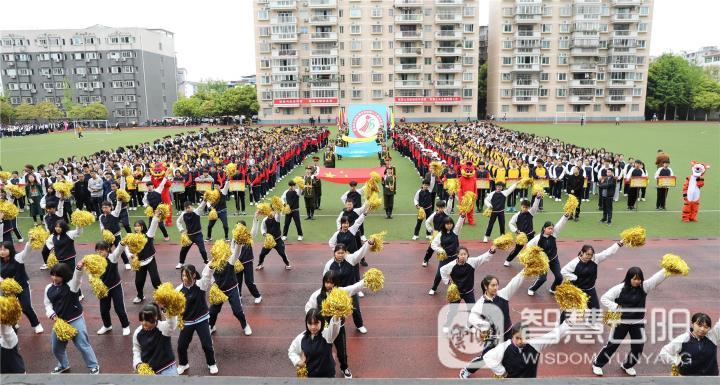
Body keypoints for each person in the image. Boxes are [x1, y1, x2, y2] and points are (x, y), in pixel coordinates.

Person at [591, 265, 674, 376]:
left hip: (637, 322)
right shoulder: (619, 288)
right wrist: (616, 307)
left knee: (638, 347)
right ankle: (597, 364)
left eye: (639, 279)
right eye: (634, 279)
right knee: (612, 345)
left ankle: (627, 365)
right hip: (621, 322)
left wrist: (669, 268)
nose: (637, 281)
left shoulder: (645, 286)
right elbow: (604, 298)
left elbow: (657, 278)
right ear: (629, 278)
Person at [460, 268, 534, 379]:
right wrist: (484, 325)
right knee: (485, 358)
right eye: (493, 285)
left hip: (508, 332)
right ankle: (467, 370)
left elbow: (515, 281)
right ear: (486, 287)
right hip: (493, 337)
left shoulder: (503, 294)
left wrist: (526, 269)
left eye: (496, 285)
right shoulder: (481, 303)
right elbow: (472, 318)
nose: (496, 288)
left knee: (511, 353)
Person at [304, 271, 365, 378]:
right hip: (323, 330)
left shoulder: (342, 292)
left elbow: (355, 287)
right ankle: (322, 370)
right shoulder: (317, 295)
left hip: (339, 328)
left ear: (336, 283)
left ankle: (344, 367)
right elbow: (308, 308)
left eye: (332, 283)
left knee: (342, 351)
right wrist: (314, 319)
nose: (329, 285)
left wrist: (367, 281)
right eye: (327, 282)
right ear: (323, 282)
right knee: (322, 351)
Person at [43, 261, 100, 374]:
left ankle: (94, 365)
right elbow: (47, 304)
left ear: (64, 276)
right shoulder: (48, 288)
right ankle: (63, 365)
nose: (54, 277)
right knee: (56, 347)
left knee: (82, 344)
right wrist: (52, 315)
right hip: (60, 322)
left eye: (57, 275)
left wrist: (79, 268)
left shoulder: (71, 285)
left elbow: (77, 278)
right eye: (53, 274)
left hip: (75, 319)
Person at [483, 320, 575, 378]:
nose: (519, 341)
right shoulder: (504, 347)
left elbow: (553, 336)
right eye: (517, 338)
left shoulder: (535, 345)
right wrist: (501, 372)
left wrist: (567, 324)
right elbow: (487, 357)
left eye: (523, 338)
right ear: (512, 336)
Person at [559, 241, 624, 323]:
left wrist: (618, 244)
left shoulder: (595, 258)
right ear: (582, 252)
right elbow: (563, 271)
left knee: (595, 309)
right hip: (577, 290)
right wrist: (575, 278)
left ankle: (591, 323)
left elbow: (607, 252)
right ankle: (560, 324)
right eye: (587, 254)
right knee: (569, 309)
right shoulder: (574, 263)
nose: (589, 257)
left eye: (591, 255)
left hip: (590, 289)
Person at [440, 246, 496, 331]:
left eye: (465, 254)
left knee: (472, 311)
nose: (463, 256)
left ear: (467, 255)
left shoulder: (472, 262)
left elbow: (482, 258)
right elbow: (442, 270)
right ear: (457, 255)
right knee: (453, 311)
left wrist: (491, 251)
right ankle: (447, 325)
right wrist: (448, 282)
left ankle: (469, 326)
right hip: (456, 293)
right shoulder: (451, 265)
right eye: (461, 254)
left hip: (469, 292)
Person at [322, 241, 373, 334]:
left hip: (352, 289)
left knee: (355, 308)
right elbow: (325, 278)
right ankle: (332, 327)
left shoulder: (351, 259)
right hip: (337, 292)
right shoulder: (329, 264)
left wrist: (369, 244)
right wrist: (327, 291)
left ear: (345, 253)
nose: (340, 255)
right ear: (334, 253)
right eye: (338, 253)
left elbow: (360, 252)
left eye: (342, 253)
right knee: (335, 311)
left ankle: (359, 325)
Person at [176, 264, 218, 375]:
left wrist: (211, 267)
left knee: (206, 344)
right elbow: (173, 307)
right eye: (183, 275)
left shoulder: (201, 284)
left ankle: (211, 363)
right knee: (181, 345)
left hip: (201, 319)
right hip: (187, 321)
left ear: (194, 275)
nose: (184, 278)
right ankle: (183, 364)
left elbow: (207, 275)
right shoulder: (178, 290)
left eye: (187, 275)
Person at [208, 240, 253, 337]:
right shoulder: (212, 263)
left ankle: (245, 325)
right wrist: (213, 284)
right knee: (213, 311)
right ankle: (211, 326)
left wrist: (239, 243)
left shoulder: (230, 260)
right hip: (219, 290)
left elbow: (237, 252)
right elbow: (209, 275)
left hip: (232, 289)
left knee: (237, 311)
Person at [0, 240, 43, 333]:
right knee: (8, 308)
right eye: (1, 249)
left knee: (26, 307)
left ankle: (36, 324)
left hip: (22, 286)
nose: (2, 251)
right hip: (8, 290)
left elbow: (26, 251)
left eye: (5, 249)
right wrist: (3, 281)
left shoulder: (17, 257)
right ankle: (13, 323)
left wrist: (30, 242)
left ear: (10, 250)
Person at [659, 312, 720, 376]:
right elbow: (664, 352)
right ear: (692, 324)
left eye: (706, 327)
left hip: (711, 380)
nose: (702, 329)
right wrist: (677, 361)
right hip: (687, 381)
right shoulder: (683, 339)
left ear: (709, 328)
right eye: (699, 325)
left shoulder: (713, 336)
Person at [288, 309, 343, 378]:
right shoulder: (301, 337)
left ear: (322, 322)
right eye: (310, 323)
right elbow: (291, 351)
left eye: (316, 323)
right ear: (306, 323)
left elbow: (335, 328)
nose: (313, 327)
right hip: (310, 375)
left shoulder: (327, 334)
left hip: (327, 376)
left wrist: (336, 316)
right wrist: (299, 362)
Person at [526, 213, 570, 296]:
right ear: (544, 228)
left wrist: (565, 216)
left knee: (559, 277)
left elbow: (560, 224)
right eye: (549, 228)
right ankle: (532, 288)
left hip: (554, 259)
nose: (551, 230)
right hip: (543, 262)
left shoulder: (554, 234)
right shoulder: (538, 238)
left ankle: (553, 288)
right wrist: (534, 256)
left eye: (552, 229)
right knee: (542, 279)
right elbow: (528, 246)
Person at [93, 241, 131, 336]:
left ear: (108, 250)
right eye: (97, 251)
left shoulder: (112, 257)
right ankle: (107, 325)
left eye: (101, 251)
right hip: (103, 288)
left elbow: (118, 250)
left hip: (115, 286)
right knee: (104, 310)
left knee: (119, 308)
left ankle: (125, 326)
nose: (99, 253)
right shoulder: (95, 261)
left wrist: (122, 244)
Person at [132, 303, 179, 375]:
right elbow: (137, 350)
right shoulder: (137, 333)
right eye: (142, 319)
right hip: (149, 370)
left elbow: (172, 324)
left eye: (147, 320)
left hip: (166, 367)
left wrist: (166, 309)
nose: (144, 323)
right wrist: (138, 364)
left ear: (155, 317)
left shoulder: (163, 327)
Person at [128, 213, 163, 304]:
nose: (136, 228)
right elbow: (126, 247)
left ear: (142, 227)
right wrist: (130, 255)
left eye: (139, 226)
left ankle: (162, 295)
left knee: (155, 280)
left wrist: (156, 216)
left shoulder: (149, 235)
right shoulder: (132, 237)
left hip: (150, 260)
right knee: (138, 282)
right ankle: (140, 296)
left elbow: (154, 224)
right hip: (140, 263)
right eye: (135, 226)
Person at [428, 215, 465, 296]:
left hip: (455, 258)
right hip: (445, 258)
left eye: (451, 223)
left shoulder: (455, 231)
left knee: (458, 273)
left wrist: (462, 216)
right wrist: (441, 250)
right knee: (439, 274)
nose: (449, 225)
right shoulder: (440, 234)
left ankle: (460, 288)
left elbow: (459, 224)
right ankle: (434, 288)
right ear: (444, 225)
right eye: (447, 224)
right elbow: (433, 244)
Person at [505, 194, 541, 267]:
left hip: (530, 235)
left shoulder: (531, 212)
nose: (525, 209)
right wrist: (516, 230)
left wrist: (538, 198)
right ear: (521, 206)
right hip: (521, 236)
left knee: (533, 249)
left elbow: (535, 206)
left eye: (527, 207)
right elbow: (510, 223)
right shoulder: (516, 215)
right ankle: (507, 260)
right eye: (523, 207)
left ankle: (532, 262)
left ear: (529, 208)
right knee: (517, 249)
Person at [99, 200, 131, 270]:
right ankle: (107, 262)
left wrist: (119, 200)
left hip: (117, 236)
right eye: (103, 208)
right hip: (108, 238)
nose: (105, 209)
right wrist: (103, 232)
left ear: (110, 207)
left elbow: (118, 206)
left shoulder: (115, 213)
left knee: (120, 250)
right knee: (105, 250)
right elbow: (101, 226)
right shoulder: (101, 217)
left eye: (106, 207)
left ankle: (127, 263)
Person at [236, 220, 262, 304]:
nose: (238, 228)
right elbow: (232, 250)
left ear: (244, 228)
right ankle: (238, 295)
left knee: (249, 281)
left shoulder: (248, 236)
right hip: (238, 263)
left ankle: (258, 296)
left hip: (247, 262)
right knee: (237, 281)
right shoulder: (235, 238)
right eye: (237, 226)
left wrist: (255, 220)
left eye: (240, 226)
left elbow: (254, 231)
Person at [422, 200, 450, 267]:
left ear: (444, 207)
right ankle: (425, 260)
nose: (440, 209)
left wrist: (451, 198)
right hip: (436, 233)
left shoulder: (446, 213)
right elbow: (427, 222)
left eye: (442, 207)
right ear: (437, 207)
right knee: (431, 247)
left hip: (445, 234)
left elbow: (449, 206)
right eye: (439, 207)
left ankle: (448, 262)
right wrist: (431, 230)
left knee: (447, 248)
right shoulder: (434, 215)